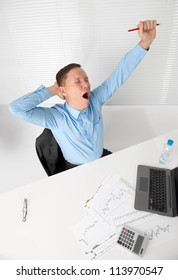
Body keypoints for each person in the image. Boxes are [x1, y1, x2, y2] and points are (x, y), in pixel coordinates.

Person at [9, 20, 157, 170]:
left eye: (86, 79)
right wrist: (53, 90)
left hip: (102, 159)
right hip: (75, 170)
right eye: (77, 81)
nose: (86, 84)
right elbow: (16, 108)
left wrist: (146, 42)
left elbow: (120, 73)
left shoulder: (95, 99)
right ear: (64, 91)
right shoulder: (55, 118)